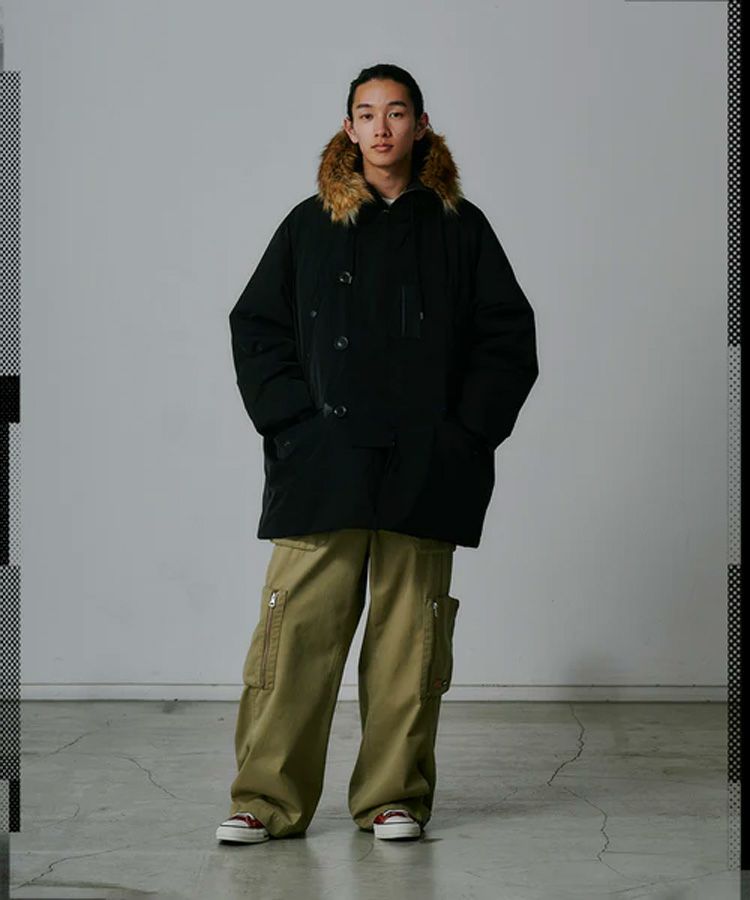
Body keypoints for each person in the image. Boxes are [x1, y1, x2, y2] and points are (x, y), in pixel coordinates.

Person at [216, 63, 539, 845]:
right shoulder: (308, 225)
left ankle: (393, 797)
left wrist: (465, 436)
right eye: (367, 113)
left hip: (425, 466)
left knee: (409, 644)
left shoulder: (461, 226)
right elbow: (257, 326)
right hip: (323, 463)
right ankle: (264, 800)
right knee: (294, 638)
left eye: (397, 112)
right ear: (349, 128)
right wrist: (293, 425)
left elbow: (506, 338)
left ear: (421, 125)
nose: (382, 127)